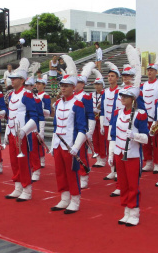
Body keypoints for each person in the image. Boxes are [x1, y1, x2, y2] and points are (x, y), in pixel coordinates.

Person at [109, 85, 149, 226]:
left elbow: (146, 137)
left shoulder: (140, 114)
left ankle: (134, 212)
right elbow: (113, 134)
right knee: (123, 184)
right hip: (120, 153)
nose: (122, 99)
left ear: (133, 99)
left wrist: (134, 135)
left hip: (132, 154)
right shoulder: (117, 113)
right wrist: (111, 152)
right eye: (122, 96)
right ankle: (126, 210)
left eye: (126, 96)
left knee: (133, 185)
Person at [50, 71, 87, 214]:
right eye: (62, 86)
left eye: (66, 86)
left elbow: (82, 128)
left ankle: (75, 200)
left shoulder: (78, 104)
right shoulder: (58, 103)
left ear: (73, 87)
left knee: (72, 173)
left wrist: (76, 147)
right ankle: (64, 198)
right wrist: (53, 145)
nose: (63, 88)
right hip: (58, 144)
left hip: (70, 144)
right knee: (59, 172)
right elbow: (55, 126)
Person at [4, 59, 40, 201]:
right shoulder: (12, 95)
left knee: (23, 162)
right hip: (13, 133)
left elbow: (34, 117)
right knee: (14, 161)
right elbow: (10, 115)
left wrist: (24, 131)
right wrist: (8, 131)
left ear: (22, 80)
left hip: (22, 135)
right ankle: (18, 187)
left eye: (14, 78)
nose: (11, 80)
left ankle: (27, 189)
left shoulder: (27, 94)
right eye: (11, 78)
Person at [140, 57, 158, 172]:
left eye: (152, 70)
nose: (149, 72)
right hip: (145, 118)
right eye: (148, 70)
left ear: (156, 72)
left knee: (156, 143)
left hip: (156, 119)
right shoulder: (142, 85)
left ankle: (157, 163)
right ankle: (148, 161)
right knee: (146, 142)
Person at [100, 63, 121, 179]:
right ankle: (112, 170)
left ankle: (118, 171)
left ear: (117, 78)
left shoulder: (120, 91)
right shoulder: (105, 91)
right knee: (109, 148)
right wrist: (102, 124)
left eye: (112, 76)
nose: (110, 78)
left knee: (117, 148)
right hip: (107, 123)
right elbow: (103, 109)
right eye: (108, 76)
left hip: (117, 124)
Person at [35, 76, 52, 168]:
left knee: (40, 139)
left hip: (40, 119)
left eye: (40, 84)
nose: (37, 85)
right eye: (37, 83)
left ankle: (42, 158)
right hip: (33, 119)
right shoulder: (35, 95)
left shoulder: (45, 95)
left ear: (44, 85)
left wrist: (39, 109)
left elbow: (48, 111)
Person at [92, 76, 106, 167]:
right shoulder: (92, 95)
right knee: (95, 139)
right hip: (94, 118)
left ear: (102, 85)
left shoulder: (105, 94)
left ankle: (103, 158)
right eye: (96, 84)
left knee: (102, 140)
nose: (97, 86)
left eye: (99, 84)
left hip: (102, 118)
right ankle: (98, 157)